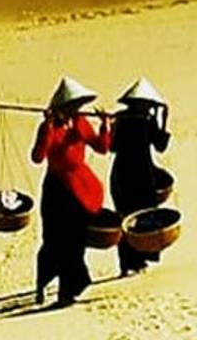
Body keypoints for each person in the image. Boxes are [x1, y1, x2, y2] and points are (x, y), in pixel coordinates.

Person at [31, 75, 112, 306]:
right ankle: (45, 282)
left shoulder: (80, 124)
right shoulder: (50, 127)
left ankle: (68, 290)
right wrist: (47, 129)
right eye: (73, 105)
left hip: (79, 187)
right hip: (57, 190)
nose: (77, 109)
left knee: (75, 241)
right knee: (54, 241)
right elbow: (37, 157)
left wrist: (105, 126)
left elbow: (102, 147)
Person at [109, 77, 171, 277]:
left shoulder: (123, 120)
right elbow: (161, 145)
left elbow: (112, 146)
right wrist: (161, 121)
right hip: (140, 174)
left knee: (128, 216)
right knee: (139, 217)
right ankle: (135, 261)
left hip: (123, 174)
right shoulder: (144, 122)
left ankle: (129, 263)